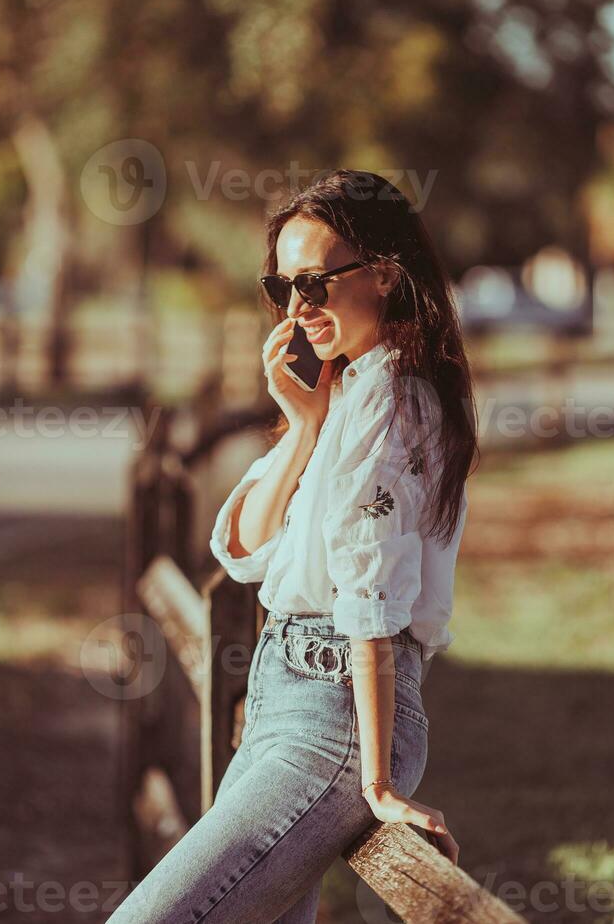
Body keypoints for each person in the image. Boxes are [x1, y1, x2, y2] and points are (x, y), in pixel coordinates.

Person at [106, 169, 478, 923]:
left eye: (314, 283)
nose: (298, 308)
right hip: (285, 702)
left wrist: (377, 783)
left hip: (332, 716)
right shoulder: (344, 398)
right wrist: (303, 427)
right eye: (281, 289)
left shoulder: (394, 399)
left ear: (382, 273)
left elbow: (369, 596)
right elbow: (243, 547)